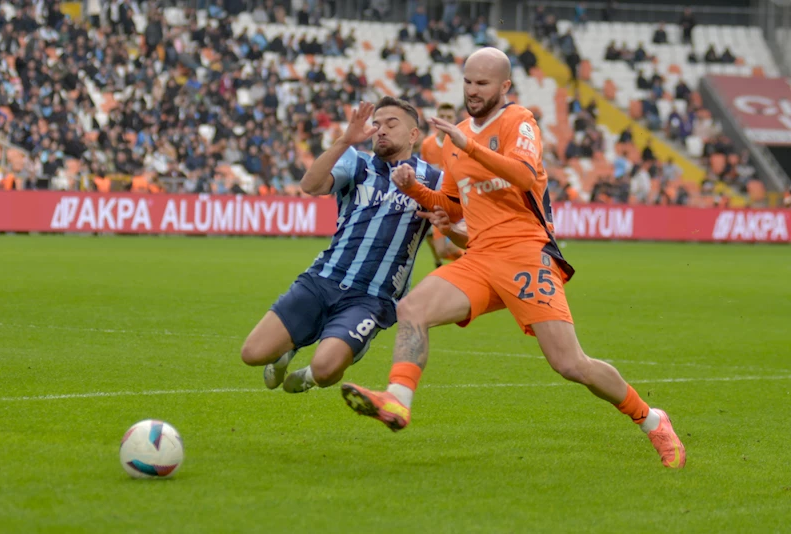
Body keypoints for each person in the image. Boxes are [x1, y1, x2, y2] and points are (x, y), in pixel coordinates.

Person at [339, 47, 686, 469]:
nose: (472, 90)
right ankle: (397, 400)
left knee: (570, 364)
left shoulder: (517, 120)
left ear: (504, 86)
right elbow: (450, 206)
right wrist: (412, 186)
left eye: (482, 83)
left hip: (527, 254)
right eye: (467, 81)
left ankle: (651, 420)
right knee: (413, 308)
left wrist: (469, 144)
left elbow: (523, 174)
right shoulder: (455, 136)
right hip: (480, 255)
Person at [240, 97, 442, 393]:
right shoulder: (356, 161)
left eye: (391, 124)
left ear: (413, 135)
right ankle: (286, 351)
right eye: (377, 123)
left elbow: (460, 231)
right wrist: (344, 140)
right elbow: (310, 186)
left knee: (325, 371)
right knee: (252, 354)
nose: (381, 130)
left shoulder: (434, 180)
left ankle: (311, 374)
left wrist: (449, 224)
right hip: (323, 279)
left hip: (371, 298)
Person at [419, 102, 465, 267]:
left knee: (453, 246)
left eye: (449, 117)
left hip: (458, 203)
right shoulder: (427, 144)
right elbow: (424, 170)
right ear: (436, 119)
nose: (445, 120)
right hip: (437, 202)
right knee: (441, 251)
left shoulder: (460, 143)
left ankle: (471, 267)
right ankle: (467, 264)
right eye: (442, 116)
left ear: (454, 119)